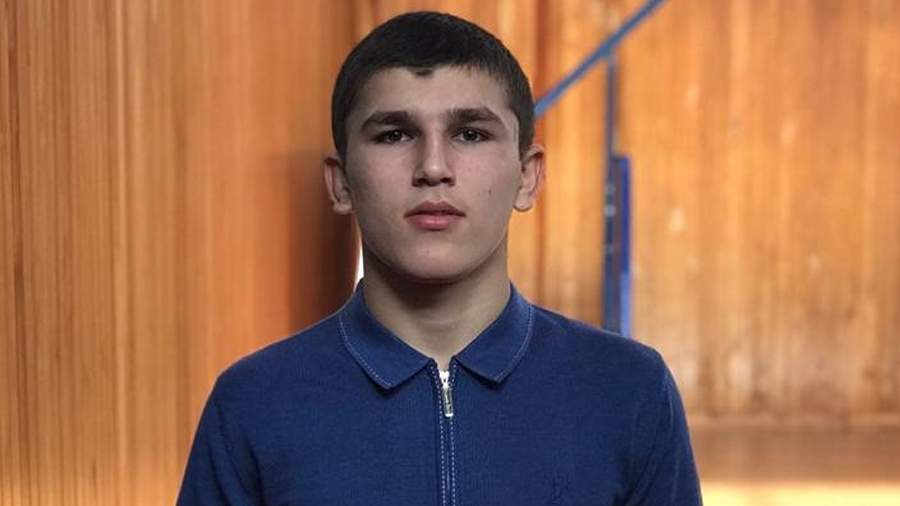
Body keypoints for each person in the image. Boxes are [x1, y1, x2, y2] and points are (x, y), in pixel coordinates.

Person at [178, 11, 701, 505]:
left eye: (470, 134)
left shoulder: (628, 390)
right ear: (341, 183)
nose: (432, 167)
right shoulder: (254, 404)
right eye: (394, 134)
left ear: (527, 175)